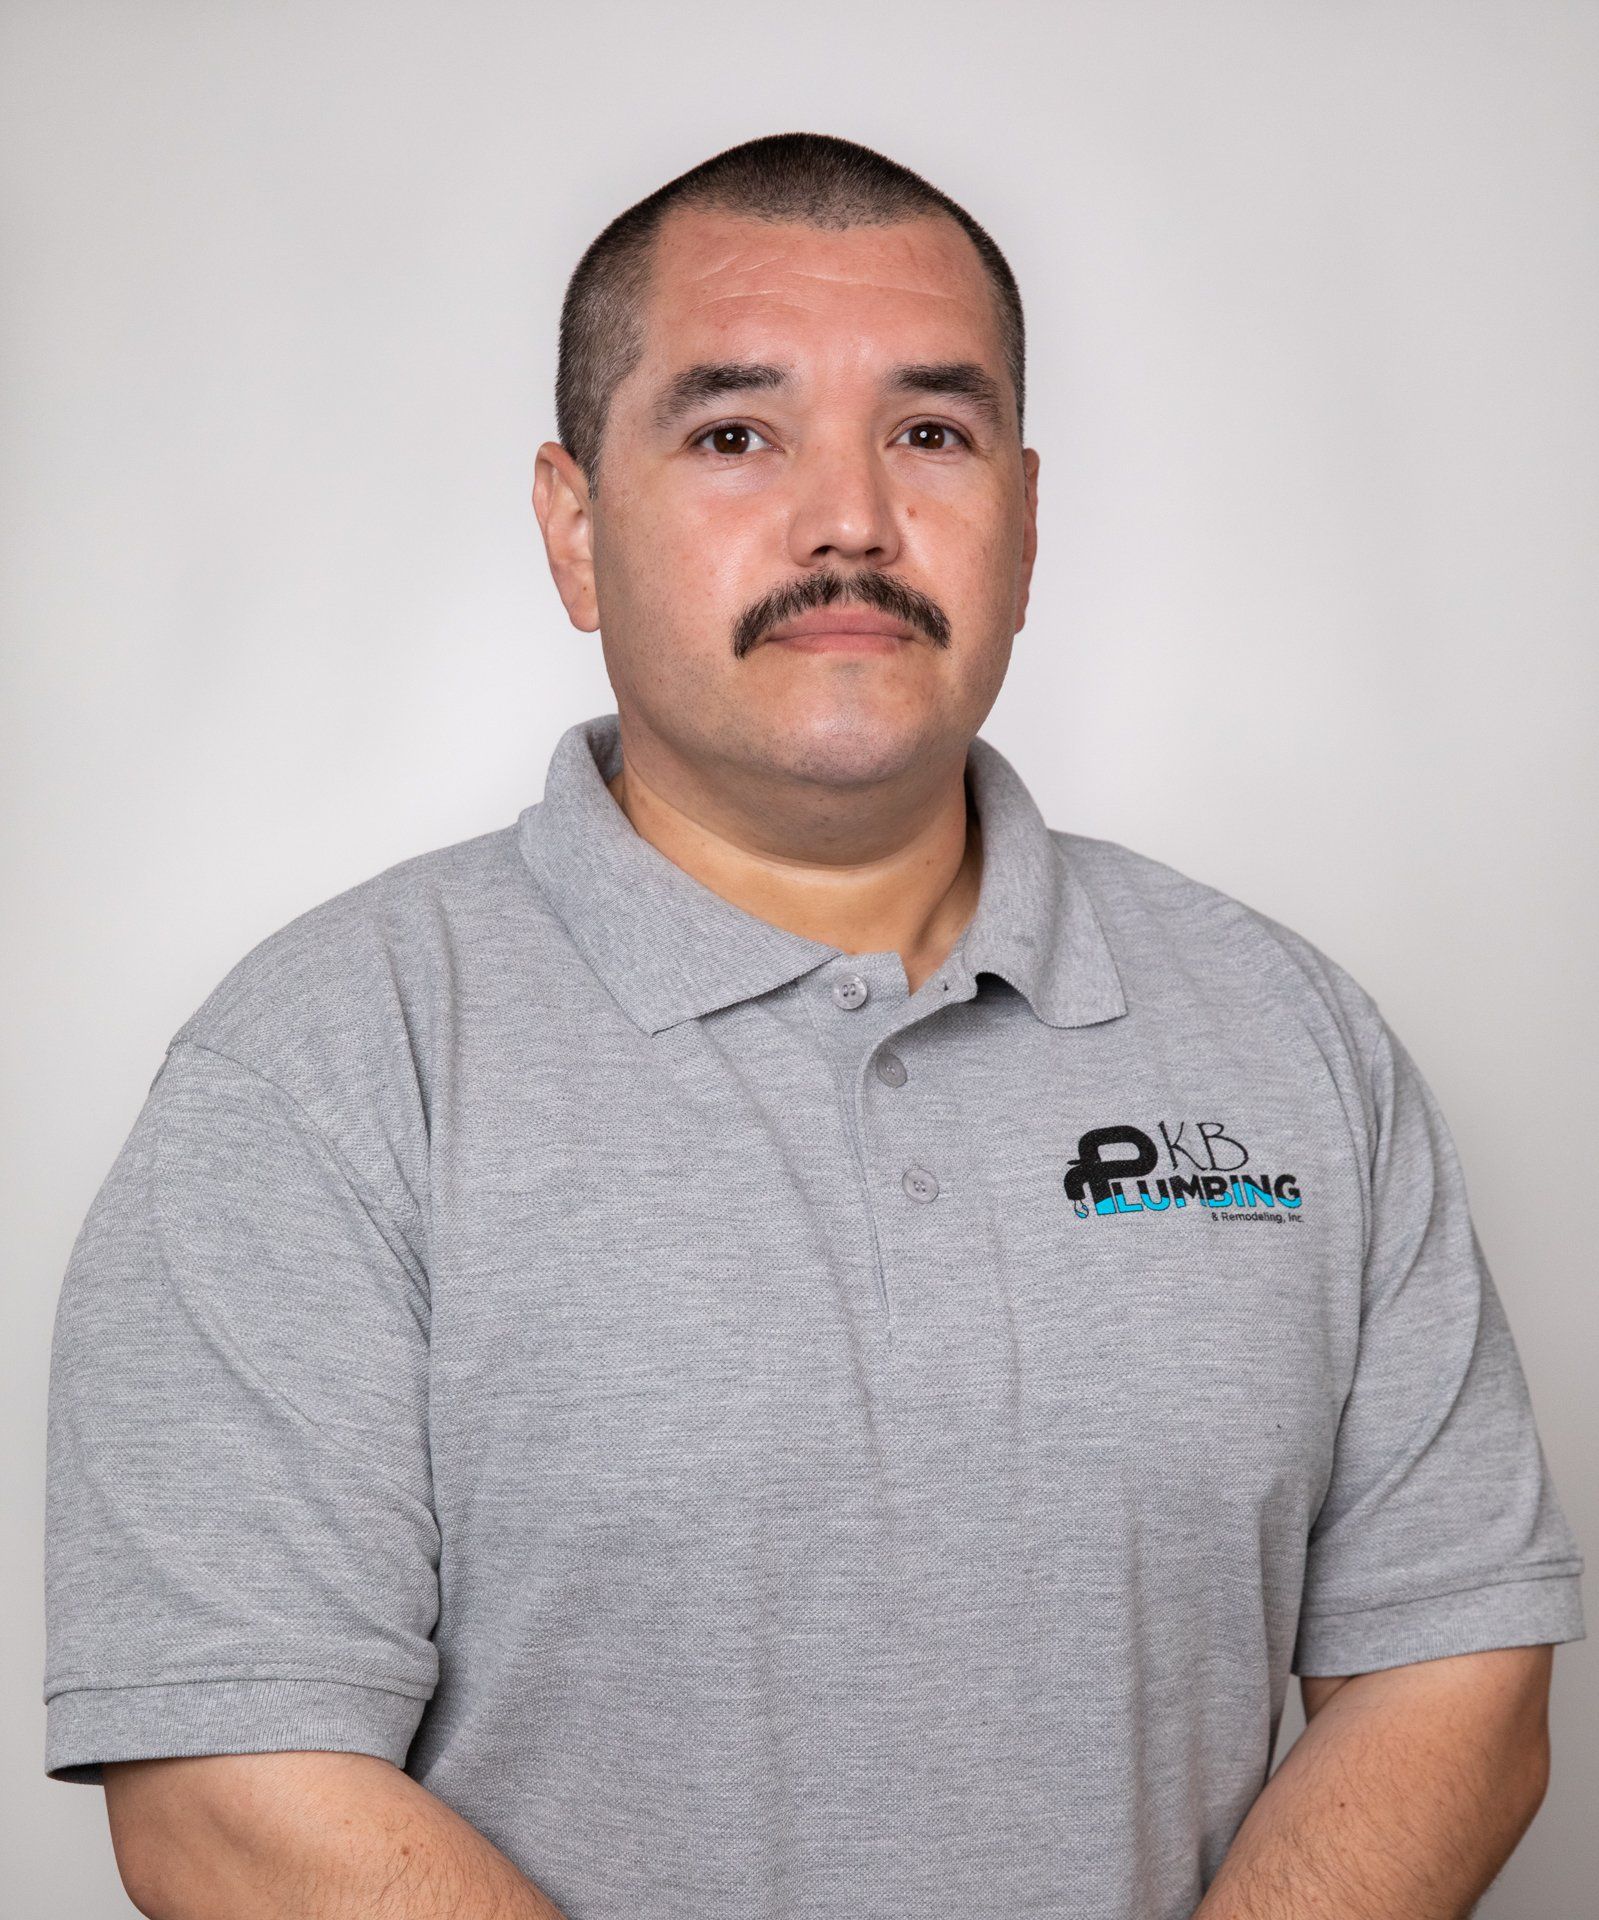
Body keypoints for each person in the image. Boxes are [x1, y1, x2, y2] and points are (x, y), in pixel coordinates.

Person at [44, 131, 1584, 1920]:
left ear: (1024, 517)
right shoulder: (321, 1073)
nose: (851, 517)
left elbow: (1457, 1677)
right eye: (734, 434)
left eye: (930, 433)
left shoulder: (1293, 1038)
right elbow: (230, 1797)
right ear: (572, 525)